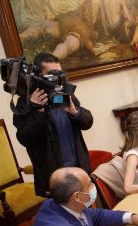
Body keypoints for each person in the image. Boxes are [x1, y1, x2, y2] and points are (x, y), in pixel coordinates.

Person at [13, 52, 93, 198]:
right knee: (64, 220)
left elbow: (88, 122)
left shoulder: (64, 94)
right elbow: (25, 138)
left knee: (87, 214)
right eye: (51, 74)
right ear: (37, 76)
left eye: (59, 73)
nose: (57, 78)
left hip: (78, 169)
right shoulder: (25, 103)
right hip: (55, 178)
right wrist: (38, 111)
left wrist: (74, 112)